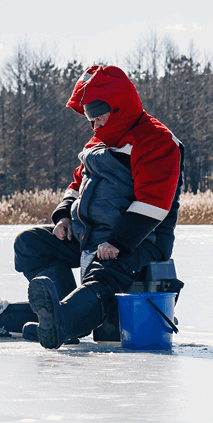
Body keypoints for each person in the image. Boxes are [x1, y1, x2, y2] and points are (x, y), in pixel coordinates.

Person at [13, 64, 184, 349]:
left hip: (141, 238)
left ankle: (64, 320)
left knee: (104, 272)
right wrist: (65, 217)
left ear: (117, 107)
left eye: (96, 116)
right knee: (30, 243)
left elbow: (154, 203)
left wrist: (119, 241)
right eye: (89, 117)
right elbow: (76, 183)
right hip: (89, 233)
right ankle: (60, 310)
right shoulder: (98, 141)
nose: (93, 124)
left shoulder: (156, 140)